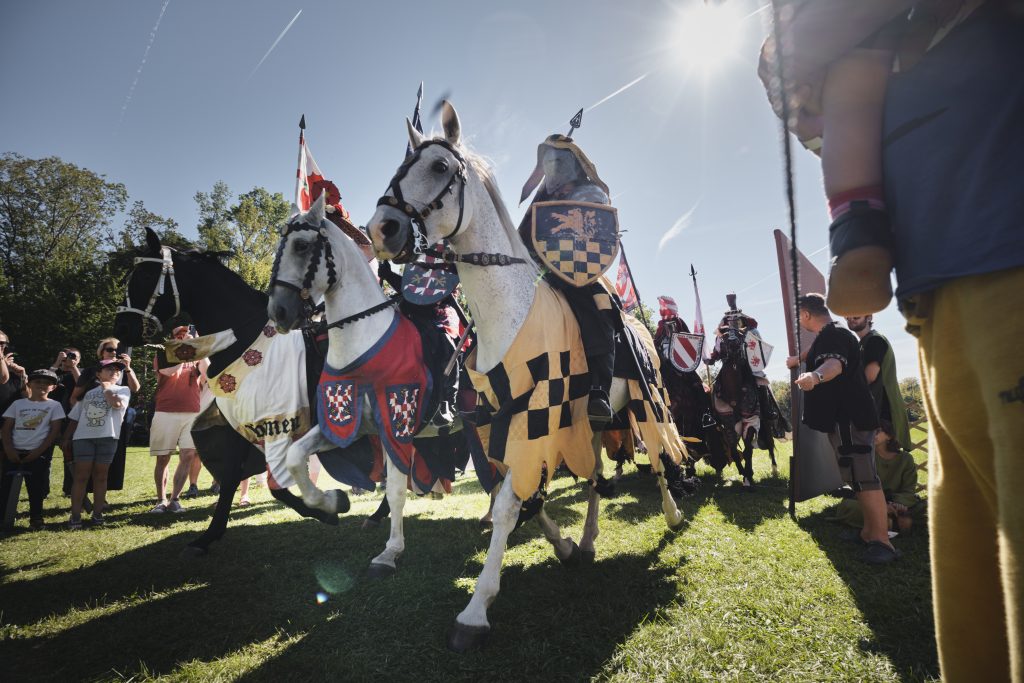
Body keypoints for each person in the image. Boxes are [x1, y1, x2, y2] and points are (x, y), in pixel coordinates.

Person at [767, 3, 1024, 678]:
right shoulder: (841, 338)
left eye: (807, 313)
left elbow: (860, 373)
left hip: (1001, 251)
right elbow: (800, 84)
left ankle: (882, 533)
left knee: (870, 475)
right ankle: (859, 226)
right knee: (977, 607)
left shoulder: (851, 343)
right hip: (936, 291)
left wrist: (816, 380)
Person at [787, 293, 897, 564]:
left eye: (798, 315)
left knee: (865, 477)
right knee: (857, 477)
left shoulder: (832, 336)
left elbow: (833, 364)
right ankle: (868, 533)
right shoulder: (833, 334)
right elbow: (817, 354)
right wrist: (798, 360)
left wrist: (815, 376)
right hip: (848, 420)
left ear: (806, 315)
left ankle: (882, 541)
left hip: (851, 420)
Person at [517, 134, 618, 422]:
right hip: (540, 274)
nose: (551, 168)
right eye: (547, 162)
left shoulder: (591, 193)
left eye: (557, 161)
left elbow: (597, 232)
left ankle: (599, 389)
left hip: (578, 272)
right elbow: (524, 240)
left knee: (599, 308)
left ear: (571, 163)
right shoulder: (543, 201)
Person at [70, 337, 140, 507]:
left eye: (117, 350)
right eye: (109, 349)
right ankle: (81, 501)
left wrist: (128, 368)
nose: (114, 353)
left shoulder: (121, 370)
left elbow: (135, 389)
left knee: (104, 468)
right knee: (82, 469)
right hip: (86, 425)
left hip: (113, 424)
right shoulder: (91, 371)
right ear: (101, 351)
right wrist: (79, 418)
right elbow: (75, 397)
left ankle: (100, 502)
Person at [62, 359, 131, 528]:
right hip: (83, 438)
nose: (115, 371)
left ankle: (98, 514)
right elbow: (75, 417)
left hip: (108, 437)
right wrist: (66, 438)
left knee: (101, 477)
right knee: (80, 477)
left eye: (117, 369)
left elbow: (116, 404)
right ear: (98, 373)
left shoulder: (123, 389)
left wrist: (107, 387)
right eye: (109, 369)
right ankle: (75, 516)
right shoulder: (88, 393)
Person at [148, 326, 208, 514]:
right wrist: (184, 352)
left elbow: (208, 374)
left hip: (191, 413)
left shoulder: (197, 357)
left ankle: (175, 499)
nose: (183, 337)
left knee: (188, 456)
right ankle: (161, 499)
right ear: (172, 338)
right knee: (163, 458)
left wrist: (198, 347)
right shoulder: (163, 354)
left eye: (186, 335)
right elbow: (168, 373)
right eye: (179, 335)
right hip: (166, 411)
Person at [1, 369, 65, 530]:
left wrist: (38, 452)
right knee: (6, 487)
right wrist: (9, 449)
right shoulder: (17, 404)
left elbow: (54, 432)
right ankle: (4, 518)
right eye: (37, 382)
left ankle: (36, 518)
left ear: (53, 388)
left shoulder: (54, 405)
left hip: (39, 453)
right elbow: (6, 428)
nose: (42, 385)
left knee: (36, 488)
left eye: (46, 383)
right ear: (29, 384)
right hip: (14, 451)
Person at [832, 420, 920, 533]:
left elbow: (909, 489)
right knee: (848, 506)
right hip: (869, 500)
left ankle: (886, 519)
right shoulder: (865, 457)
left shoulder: (905, 459)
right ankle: (888, 520)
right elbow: (858, 487)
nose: (872, 435)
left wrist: (895, 503)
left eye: (877, 431)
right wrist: (881, 505)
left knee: (924, 508)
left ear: (889, 436)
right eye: (869, 432)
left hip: (896, 501)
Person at [844, 315, 911, 449]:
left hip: (883, 415)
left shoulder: (875, 340)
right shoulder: (862, 343)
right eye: (847, 315)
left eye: (856, 314)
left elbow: (869, 376)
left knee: (882, 462)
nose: (851, 318)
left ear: (869, 317)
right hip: (874, 411)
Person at [46, 347, 81, 498]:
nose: (70, 358)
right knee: (44, 455)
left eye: (75, 356)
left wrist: (73, 367)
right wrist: (57, 362)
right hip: (48, 418)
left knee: (70, 454)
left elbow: (82, 384)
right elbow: (45, 381)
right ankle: (42, 490)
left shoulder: (80, 373)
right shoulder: (54, 372)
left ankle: (69, 489)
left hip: (69, 418)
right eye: (68, 356)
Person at [0, 329, 27, 414]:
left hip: (10, 421)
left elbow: (27, 397)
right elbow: (3, 378)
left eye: (2, 343)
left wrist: (23, 376)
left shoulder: (14, 367)